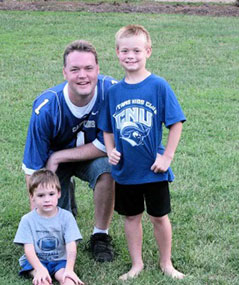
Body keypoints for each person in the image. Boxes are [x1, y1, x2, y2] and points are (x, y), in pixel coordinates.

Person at [98, 24, 186, 280]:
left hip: (153, 169)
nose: (130, 56)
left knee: (159, 217)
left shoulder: (158, 86)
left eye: (136, 50)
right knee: (131, 217)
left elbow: (176, 123)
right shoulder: (114, 92)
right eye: (125, 50)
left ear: (148, 51)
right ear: (117, 53)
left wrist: (167, 156)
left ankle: (166, 262)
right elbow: (107, 128)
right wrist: (111, 150)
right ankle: (137, 264)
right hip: (126, 171)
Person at [22, 40, 116, 262]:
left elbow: (108, 145)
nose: (82, 75)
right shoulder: (46, 108)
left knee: (108, 169)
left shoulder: (112, 92)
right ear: (65, 73)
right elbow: (33, 171)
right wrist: (38, 225)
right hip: (55, 167)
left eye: (88, 68)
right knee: (57, 234)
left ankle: (100, 236)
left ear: (98, 70)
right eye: (75, 69)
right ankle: (63, 199)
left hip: (89, 157)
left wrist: (59, 155)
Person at [14, 169, 84, 285]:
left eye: (51, 194)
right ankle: (39, 272)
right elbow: (29, 249)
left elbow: (71, 245)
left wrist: (69, 269)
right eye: (41, 195)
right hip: (36, 261)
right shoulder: (27, 220)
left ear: (59, 194)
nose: (47, 199)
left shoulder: (67, 217)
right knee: (42, 281)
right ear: (32, 197)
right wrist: (40, 269)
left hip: (60, 260)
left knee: (68, 281)